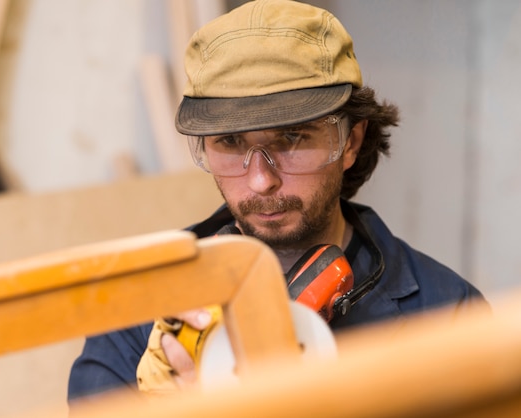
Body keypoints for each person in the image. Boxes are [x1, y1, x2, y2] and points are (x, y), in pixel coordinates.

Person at [68, 0, 487, 402]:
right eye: (230, 143)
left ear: (351, 142)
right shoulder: (140, 308)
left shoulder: (448, 314)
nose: (261, 180)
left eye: (291, 138)